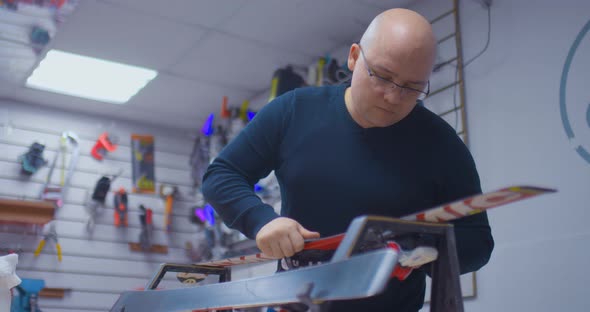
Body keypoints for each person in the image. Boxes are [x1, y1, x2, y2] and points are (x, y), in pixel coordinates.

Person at [202, 8, 494, 312]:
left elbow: (477, 244)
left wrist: (421, 247)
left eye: (411, 88)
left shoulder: (443, 144)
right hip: (297, 304)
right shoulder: (293, 111)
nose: (393, 97)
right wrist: (261, 221)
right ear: (354, 57)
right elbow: (221, 175)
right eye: (382, 76)